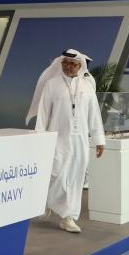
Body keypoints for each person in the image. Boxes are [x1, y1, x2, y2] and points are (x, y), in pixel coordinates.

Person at [31, 49, 105, 233]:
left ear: (80, 66)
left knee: (75, 177)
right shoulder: (52, 84)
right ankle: (47, 203)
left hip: (80, 139)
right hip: (57, 137)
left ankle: (68, 217)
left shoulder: (87, 86)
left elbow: (94, 115)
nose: (68, 67)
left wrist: (99, 140)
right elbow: (43, 113)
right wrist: (40, 137)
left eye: (73, 64)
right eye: (65, 63)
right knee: (55, 173)